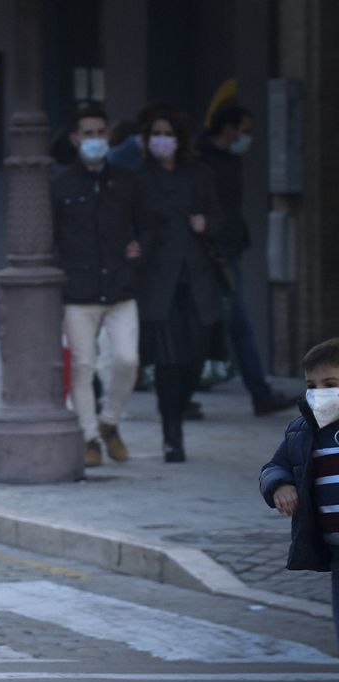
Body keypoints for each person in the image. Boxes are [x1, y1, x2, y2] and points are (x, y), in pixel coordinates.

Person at [52, 104, 143, 467]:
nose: (94, 139)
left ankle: (109, 422)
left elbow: (147, 224)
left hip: (120, 288)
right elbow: (50, 238)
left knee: (127, 360)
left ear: (108, 136)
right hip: (78, 292)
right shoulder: (60, 184)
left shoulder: (126, 181)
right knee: (83, 367)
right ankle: (89, 437)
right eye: (87, 133)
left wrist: (140, 247)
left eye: (100, 133)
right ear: (76, 139)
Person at [134, 106, 223, 462]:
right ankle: (172, 435)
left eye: (168, 133)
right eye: (156, 133)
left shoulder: (199, 174)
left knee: (195, 358)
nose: (162, 140)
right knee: (169, 361)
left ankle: (181, 406)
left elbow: (221, 218)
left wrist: (207, 223)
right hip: (159, 281)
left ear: (180, 139)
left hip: (197, 277)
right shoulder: (139, 178)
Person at [198, 104, 298, 417]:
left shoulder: (230, 160)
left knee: (237, 323)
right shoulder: (203, 160)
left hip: (229, 252)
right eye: (244, 129)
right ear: (228, 128)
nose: (247, 136)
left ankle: (260, 393)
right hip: (208, 253)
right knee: (216, 323)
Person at [260, 337, 339, 653]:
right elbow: (274, 467)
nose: (319, 393)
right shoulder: (303, 430)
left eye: (330, 384)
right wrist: (281, 485)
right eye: (311, 385)